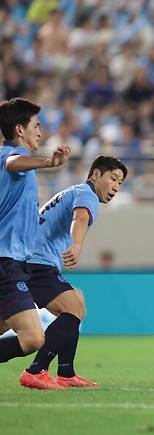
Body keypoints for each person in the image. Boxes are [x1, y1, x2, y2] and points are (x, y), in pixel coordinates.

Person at [18, 156, 127, 389]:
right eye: (113, 178)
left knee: (76, 301)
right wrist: (77, 245)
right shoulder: (87, 194)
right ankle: (36, 370)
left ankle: (66, 372)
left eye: (121, 182)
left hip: (30, 259)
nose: (117, 186)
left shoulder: (75, 192)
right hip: (36, 262)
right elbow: (80, 217)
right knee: (74, 308)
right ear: (96, 175)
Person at [0, 98, 71, 378]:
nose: (40, 132)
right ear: (20, 129)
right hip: (6, 262)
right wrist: (47, 163)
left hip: (14, 262)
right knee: (33, 338)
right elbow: (13, 164)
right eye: (36, 126)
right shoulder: (11, 156)